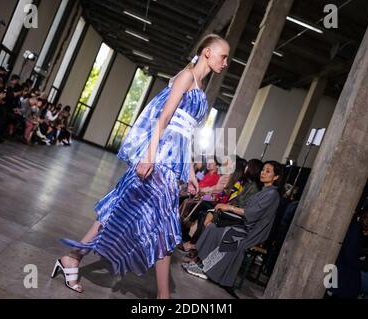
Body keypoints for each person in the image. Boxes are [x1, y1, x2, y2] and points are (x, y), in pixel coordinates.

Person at [52, 34, 230, 299]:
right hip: (158, 162)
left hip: (170, 165)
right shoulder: (186, 77)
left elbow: (186, 135)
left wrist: (191, 172)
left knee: (119, 210)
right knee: (163, 226)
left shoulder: (200, 86)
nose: (226, 63)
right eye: (223, 56)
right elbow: (163, 117)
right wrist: (148, 156)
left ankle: (73, 257)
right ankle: (163, 296)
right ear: (207, 52)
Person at [183, 161, 282, 298]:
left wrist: (229, 208)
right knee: (214, 227)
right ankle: (202, 264)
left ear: (276, 177)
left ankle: (209, 271)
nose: (263, 173)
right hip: (245, 224)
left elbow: (252, 213)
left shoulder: (271, 194)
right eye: (263, 170)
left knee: (229, 234)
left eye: (268, 171)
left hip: (253, 231)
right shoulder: (264, 191)